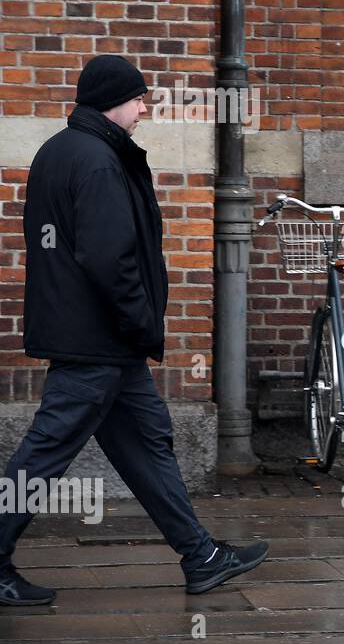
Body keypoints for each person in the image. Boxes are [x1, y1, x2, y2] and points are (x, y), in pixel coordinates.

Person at [0, 55, 268, 606]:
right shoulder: (98, 161)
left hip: (102, 344)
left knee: (148, 446)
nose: (145, 108)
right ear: (114, 100)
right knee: (44, 455)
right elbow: (107, 256)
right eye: (140, 98)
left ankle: (200, 556)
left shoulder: (59, 151)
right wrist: (141, 321)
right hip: (97, 342)